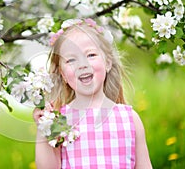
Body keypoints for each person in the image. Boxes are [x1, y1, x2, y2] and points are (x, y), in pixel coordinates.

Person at [33, 18, 152, 169]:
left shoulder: (129, 118)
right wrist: (44, 128)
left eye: (90, 55)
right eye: (71, 60)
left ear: (107, 62)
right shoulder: (59, 120)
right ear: (62, 73)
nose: (82, 65)